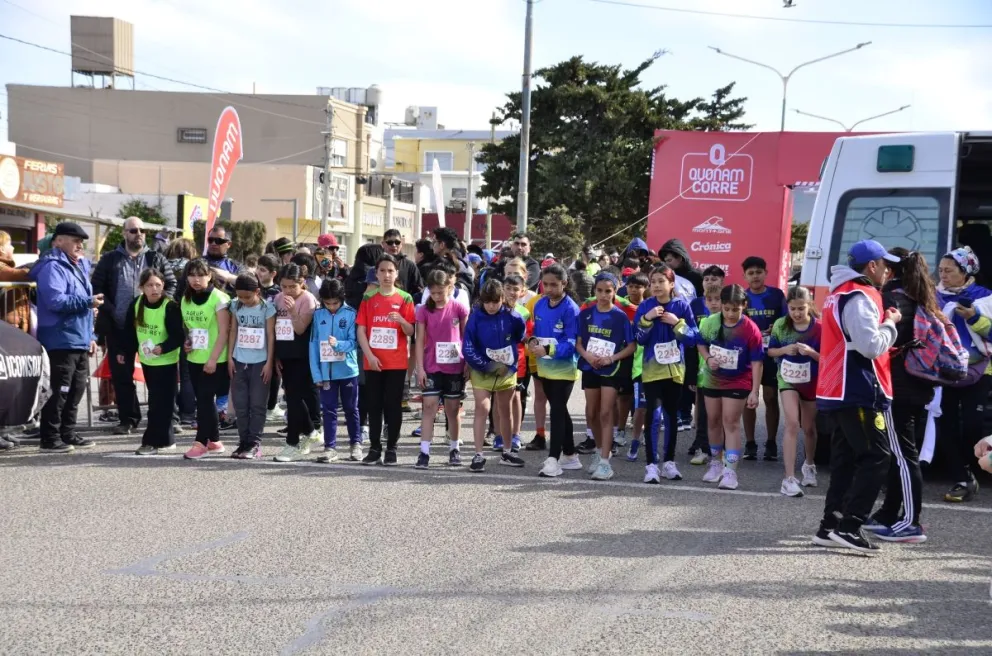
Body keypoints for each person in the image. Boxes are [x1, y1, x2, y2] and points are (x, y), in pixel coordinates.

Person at [813, 239, 900, 555]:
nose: (889, 271)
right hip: (857, 388)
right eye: (885, 264)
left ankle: (829, 526)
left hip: (837, 388)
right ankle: (850, 526)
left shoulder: (839, 292)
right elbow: (870, 346)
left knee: (846, 460)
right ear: (872, 266)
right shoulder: (860, 295)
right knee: (877, 456)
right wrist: (891, 324)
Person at [863, 248, 937, 543]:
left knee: (904, 455)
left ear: (889, 269)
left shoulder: (891, 298)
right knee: (899, 451)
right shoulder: (920, 295)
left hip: (899, 386)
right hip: (918, 384)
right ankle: (889, 512)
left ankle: (911, 521)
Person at [92, 216, 176, 435]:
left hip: (152, 327)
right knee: (121, 376)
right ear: (124, 234)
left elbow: (171, 283)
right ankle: (128, 418)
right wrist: (111, 310)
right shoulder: (110, 259)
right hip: (119, 328)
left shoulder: (155, 257)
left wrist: (163, 306)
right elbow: (97, 287)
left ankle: (167, 417)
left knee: (160, 376)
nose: (138, 234)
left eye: (142, 230)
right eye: (132, 230)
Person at [29, 222, 102, 452]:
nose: (80, 244)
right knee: (60, 391)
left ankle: (67, 433)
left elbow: (86, 305)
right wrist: (87, 303)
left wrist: (91, 334)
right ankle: (49, 438)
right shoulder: (53, 267)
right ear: (58, 241)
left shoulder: (78, 265)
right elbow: (56, 301)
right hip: (60, 338)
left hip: (79, 337)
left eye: (81, 241)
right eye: (74, 240)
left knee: (77, 389)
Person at [935, 245, 992, 503]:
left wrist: (973, 318)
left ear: (965, 272)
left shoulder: (985, 298)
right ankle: (963, 477)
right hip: (944, 369)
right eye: (940, 271)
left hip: (980, 370)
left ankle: (973, 469)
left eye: (949, 271)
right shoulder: (933, 297)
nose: (943, 275)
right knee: (943, 424)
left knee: (972, 425)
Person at [633, 264, 699, 483]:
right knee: (653, 416)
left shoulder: (682, 305)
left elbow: (693, 338)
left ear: (672, 284)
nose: (657, 286)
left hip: (675, 371)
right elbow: (639, 338)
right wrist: (647, 319)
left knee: (671, 416)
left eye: (662, 281)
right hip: (652, 371)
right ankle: (651, 465)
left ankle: (669, 462)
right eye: (653, 282)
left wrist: (676, 323)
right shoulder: (645, 306)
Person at [697, 284, 764, 491]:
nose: (731, 313)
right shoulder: (710, 323)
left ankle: (730, 471)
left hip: (738, 381)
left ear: (744, 306)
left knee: (731, 422)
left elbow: (757, 362)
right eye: (727, 309)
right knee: (714, 421)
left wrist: (754, 390)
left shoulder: (750, 328)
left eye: (736, 309)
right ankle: (716, 463)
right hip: (713, 379)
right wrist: (708, 359)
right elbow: (701, 343)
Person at [357, 254, 416, 466]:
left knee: (393, 406)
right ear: (376, 273)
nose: (386, 275)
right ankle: (374, 448)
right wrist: (369, 356)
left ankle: (392, 447)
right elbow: (361, 330)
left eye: (390, 271)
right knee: (374, 406)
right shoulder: (368, 298)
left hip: (396, 363)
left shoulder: (405, 298)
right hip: (373, 362)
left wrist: (401, 320)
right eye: (382, 271)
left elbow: (410, 330)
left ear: (396, 273)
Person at [577, 273, 636, 481]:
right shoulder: (585, 314)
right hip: (590, 367)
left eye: (608, 291)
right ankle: (600, 450)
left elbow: (631, 346)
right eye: (600, 291)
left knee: (605, 412)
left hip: (611, 370)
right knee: (591, 413)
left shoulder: (620, 316)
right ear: (594, 291)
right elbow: (579, 342)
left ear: (615, 291)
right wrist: (588, 356)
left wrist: (612, 358)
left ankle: (605, 463)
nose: (603, 295)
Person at [463, 279, 527, 472]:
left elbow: (520, 336)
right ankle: (478, 455)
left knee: (504, 411)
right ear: (481, 300)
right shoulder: (475, 317)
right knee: (482, 408)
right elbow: (468, 347)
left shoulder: (513, 316)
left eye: (495, 301)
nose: (491, 306)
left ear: (502, 298)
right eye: (487, 301)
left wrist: (508, 363)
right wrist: (489, 366)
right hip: (483, 370)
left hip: (506, 370)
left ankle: (507, 451)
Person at [767, 285, 821, 497]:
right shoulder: (781, 325)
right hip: (787, 379)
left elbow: (828, 359)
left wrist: (812, 353)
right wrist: (784, 350)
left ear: (810, 306)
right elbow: (770, 350)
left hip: (811, 381)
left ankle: (809, 465)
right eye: (793, 309)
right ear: (787, 308)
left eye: (801, 308)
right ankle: (788, 478)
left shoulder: (820, 328)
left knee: (808, 427)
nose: (797, 313)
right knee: (792, 423)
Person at [123, 268, 184, 455]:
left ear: (163, 285)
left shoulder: (170, 306)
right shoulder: (137, 304)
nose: (154, 289)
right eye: (150, 285)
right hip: (148, 361)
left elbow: (179, 336)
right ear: (141, 287)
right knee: (160, 403)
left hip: (166, 362)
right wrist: (125, 352)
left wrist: (163, 347)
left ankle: (150, 442)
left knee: (159, 404)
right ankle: (167, 440)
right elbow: (129, 332)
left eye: (158, 284)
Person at [530, 264, 582, 478]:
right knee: (559, 409)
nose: (549, 289)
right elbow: (536, 332)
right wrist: (533, 344)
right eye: (546, 284)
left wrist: (550, 348)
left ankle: (554, 459)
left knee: (557, 409)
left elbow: (572, 342)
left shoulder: (571, 308)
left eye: (554, 285)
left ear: (564, 284)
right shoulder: (540, 305)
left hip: (565, 367)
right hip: (545, 366)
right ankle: (570, 455)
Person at [415, 269, 469, 467]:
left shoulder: (460, 308)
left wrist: (468, 364)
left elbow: (466, 338)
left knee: (452, 410)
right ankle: (424, 452)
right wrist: (420, 368)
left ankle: (454, 448)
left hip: (455, 367)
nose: (437, 296)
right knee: (428, 407)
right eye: (433, 292)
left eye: (441, 292)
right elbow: (419, 340)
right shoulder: (423, 310)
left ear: (450, 288)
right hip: (431, 366)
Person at [180, 258, 231, 459]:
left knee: (204, 400)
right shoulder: (186, 299)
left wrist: (212, 359)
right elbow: (190, 328)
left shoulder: (220, 298)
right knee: (203, 399)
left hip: (215, 358)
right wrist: (187, 342)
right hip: (194, 356)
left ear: (209, 276)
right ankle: (215, 441)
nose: (196, 279)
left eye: (201, 275)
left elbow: (223, 332)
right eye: (192, 275)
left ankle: (201, 442)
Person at [740, 255, 788, 462]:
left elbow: (787, 320)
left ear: (766, 273)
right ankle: (750, 443)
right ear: (745, 276)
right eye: (751, 273)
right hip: (747, 356)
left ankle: (771, 442)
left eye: (759, 272)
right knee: (748, 401)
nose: (755, 276)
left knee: (769, 397)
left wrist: (775, 329)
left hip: (770, 355)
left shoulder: (777, 295)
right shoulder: (742, 296)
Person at [310, 278, 363, 463]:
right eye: (327, 303)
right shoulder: (318, 316)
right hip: (326, 373)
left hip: (348, 371)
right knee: (329, 410)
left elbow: (354, 342)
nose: (331, 306)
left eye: (335, 303)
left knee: (350, 408)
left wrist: (338, 345)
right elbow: (314, 344)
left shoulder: (350, 313)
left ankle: (356, 444)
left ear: (342, 299)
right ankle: (330, 447)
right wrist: (316, 373)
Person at [273, 263, 321, 462]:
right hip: (284, 353)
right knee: (292, 397)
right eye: (284, 286)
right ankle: (311, 431)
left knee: (294, 398)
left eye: (293, 286)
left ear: (302, 283)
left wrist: (293, 312)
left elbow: (301, 329)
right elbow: (275, 327)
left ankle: (292, 442)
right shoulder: (277, 298)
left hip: (302, 354)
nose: (288, 291)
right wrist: (275, 355)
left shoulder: (308, 300)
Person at [227, 273, 276, 460]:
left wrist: (269, 363)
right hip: (239, 360)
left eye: (248, 296)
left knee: (257, 404)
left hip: (260, 362)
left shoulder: (267, 308)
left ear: (257, 291)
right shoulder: (236, 306)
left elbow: (271, 336)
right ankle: (243, 442)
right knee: (240, 404)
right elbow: (233, 331)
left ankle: (254, 443)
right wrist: (230, 357)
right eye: (240, 296)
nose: (244, 300)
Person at [382, 229, 424, 297]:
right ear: (383, 244)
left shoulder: (410, 266)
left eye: (397, 242)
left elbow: (419, 290)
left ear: (401, 244)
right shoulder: (376, 264)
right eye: (390, 242)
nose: (394, 245)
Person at [204, 226, 242, 292]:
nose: (213, 243)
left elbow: (249, 283)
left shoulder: (236, 267)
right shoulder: (196, 263)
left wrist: (228, 277)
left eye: (218, 241)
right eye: (210, 240)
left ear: (229, 244)